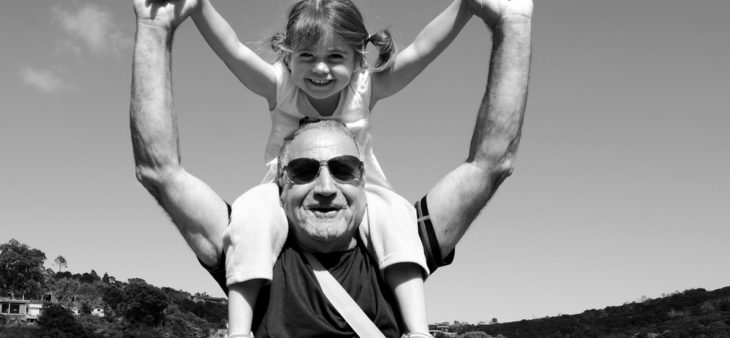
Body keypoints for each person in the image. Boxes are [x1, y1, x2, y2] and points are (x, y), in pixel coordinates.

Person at [130, 0, 532, 335]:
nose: (325, 186)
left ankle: (418, 329)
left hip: (376, 195)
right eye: (304, 169)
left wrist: (491, 15)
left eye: (342, 169)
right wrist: (173, 16)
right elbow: (161, 167)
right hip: (270, 200)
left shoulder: (365, 90)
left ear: (357, 58)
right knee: (250, 215)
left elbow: (486, 157)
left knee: (397, 217)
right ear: (289, 55)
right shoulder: (268, 240)